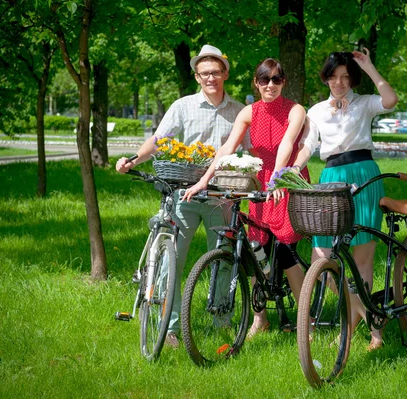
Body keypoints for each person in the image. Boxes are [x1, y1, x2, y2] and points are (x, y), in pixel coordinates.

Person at [115, 44, 250, 348]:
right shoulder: (182, 106)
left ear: (225, 73)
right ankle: (170, 325)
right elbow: (159, 140)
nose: (210, 78)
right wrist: (134, 160)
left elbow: (251, 151)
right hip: (184, 195)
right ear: (197, 77)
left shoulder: (239, 110)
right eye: (204, 73)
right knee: (171, 261)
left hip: (222, 196)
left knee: (223, 260)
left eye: (215, 72)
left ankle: (221, 320)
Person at [184, 58, 310, 338]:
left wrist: (277, 178)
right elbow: (227, 147)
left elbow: (288, 144)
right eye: (264, 80)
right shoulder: (248, 112)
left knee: (287, 251)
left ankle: (305, 321)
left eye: (277, 79)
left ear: (284, 82)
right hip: (258, 181)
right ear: (256, 82)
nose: (270, 85)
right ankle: (259, 318)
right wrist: (204, 180)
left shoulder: (295, 109)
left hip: (284, 177)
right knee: (255, 248)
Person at [293, 48, 398, 351]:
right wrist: (293, 168)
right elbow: (308, 145)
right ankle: (358, 315)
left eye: (345, 77)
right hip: (331, 179)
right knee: (323, 255)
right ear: (326, 78)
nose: (339, 82)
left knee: (362, 260)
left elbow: (390, 101)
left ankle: (373, 333)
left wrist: (370, 68)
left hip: (363, 175)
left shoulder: (364, 104)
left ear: (352, 79)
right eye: (334, 77)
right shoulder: (316, 111)